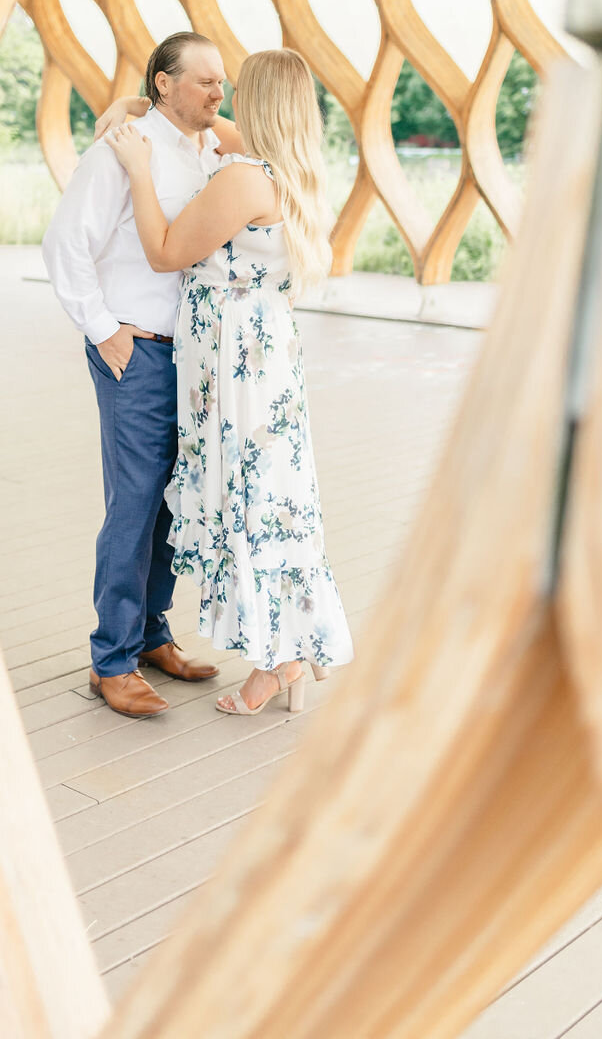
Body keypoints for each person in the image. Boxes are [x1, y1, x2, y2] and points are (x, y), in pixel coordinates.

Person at [105, 48, 353, 717]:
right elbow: (215, 130)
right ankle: (298, 643)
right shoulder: (296, 171)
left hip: (232, 366)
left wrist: (137, 169)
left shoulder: (244, 179)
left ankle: (275, 663)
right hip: (270, 359)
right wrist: (133, 108)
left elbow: (162, 251)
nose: (223, 98)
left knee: (243, 501)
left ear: (261, 101)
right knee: (279, 497)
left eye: (235, 89)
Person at [42, 31, 234, 717]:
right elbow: (64, 244)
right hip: (138, 349)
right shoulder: (120, 151)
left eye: (223, 81)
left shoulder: (208, 148)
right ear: (164, 83)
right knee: (133, 505)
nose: (219, 91)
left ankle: (154, 633)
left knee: (171, 502)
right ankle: (112, 659)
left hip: (193, 356)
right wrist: (103, 330)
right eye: (205, 81)